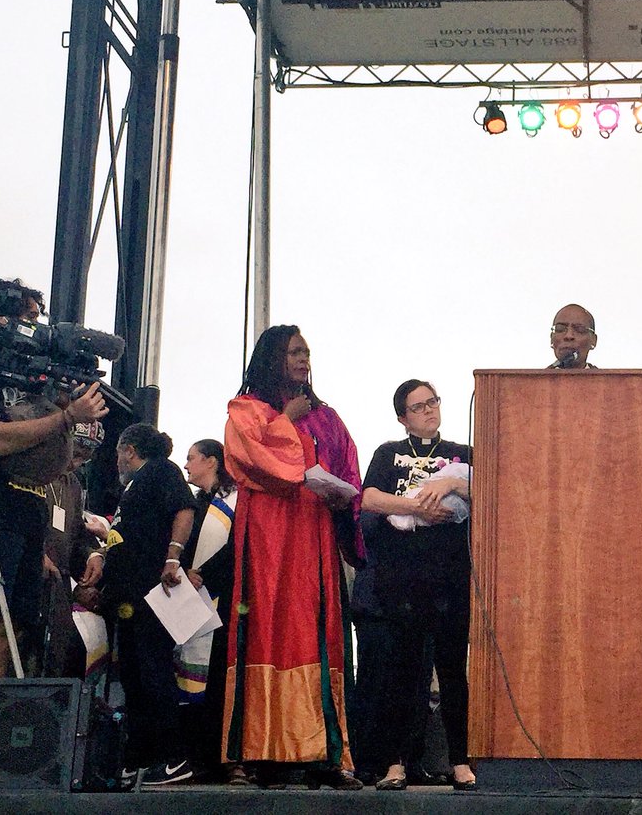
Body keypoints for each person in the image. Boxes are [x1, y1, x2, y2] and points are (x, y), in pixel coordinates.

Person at [0, 279, 108, 679]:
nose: (36, 326)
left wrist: (65, 402)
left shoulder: (31, 380)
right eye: (28, 317)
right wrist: (66, 417)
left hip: (28, 510)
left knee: (8, 626)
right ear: (1, 318)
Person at [223, 325, 365, 789]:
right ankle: (257, 752)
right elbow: (257, 463)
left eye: (306, 352)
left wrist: (345, 496)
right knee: (265, 629)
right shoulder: (246, 410)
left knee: (315, 631)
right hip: (267, 536)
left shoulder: (327, 418)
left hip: (313, 533)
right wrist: (285, 418)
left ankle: (324, 753)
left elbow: (348, 471)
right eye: (293, 352)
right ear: (272, 358)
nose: (303, 359)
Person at [360, 380, 476, 792]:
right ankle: (395, 763)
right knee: (402, 673)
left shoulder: (462, 453)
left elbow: (489, 491)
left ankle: (460, 761)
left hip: (450, 578)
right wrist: (416, 507)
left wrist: (450, 484)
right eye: (419, 406)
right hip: (401, 581)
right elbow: (370, 498)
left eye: (433, 402)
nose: (429, 410)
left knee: (452, 670)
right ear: (402, 417)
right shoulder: (388, 452)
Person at [101, 424, 196, 786]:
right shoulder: (132, 488)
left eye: (118, 452)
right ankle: (139, 757)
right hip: (127, 597)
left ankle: (174, 757)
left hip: (151, 592)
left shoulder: (160, 470)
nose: (116, 460)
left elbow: (183, 509)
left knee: (155, 672)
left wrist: (173, 557)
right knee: (134, 677)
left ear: (129, 449)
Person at [178, 439, 238, 782]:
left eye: (191, 458)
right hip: (190, 599)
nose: (186, 465)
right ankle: (194, 758)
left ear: (212, 461)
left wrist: (205, 573)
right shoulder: (193, 503)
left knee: (217, 681)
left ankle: (221, 758)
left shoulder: (235, 499)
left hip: (223, 600)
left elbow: (238, 546)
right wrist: (185, 569)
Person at [39, 421, 106, 678]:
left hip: (59, 586)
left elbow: (77, 534)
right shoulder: (34, 472)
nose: (76, 463)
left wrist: (93, 555)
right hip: (30, 575)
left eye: (84, 458)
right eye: (75, 453)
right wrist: (37, 553)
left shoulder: (74, 485)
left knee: (58, 653)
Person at [549, 303, 598, 368]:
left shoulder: (606, 375)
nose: (568, 336)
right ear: (551, 338)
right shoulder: (539, 374)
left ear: (593, 340)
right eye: (560, 329)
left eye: (579, 329)